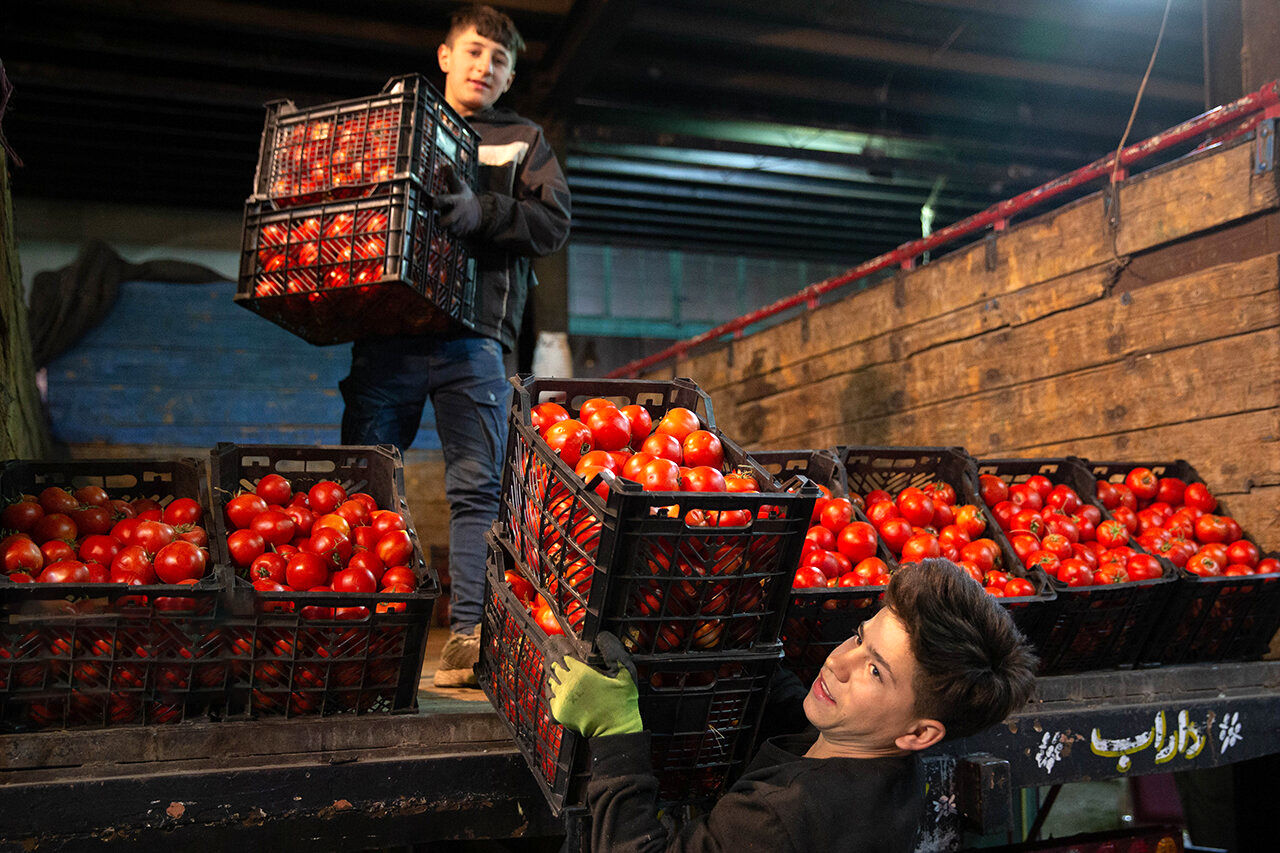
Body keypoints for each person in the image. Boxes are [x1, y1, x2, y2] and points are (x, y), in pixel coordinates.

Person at [339, 4, 571, 688]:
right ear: (444, 56)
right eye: (473, 52)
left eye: (499, 61)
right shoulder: (402, 125)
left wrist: (486, 211)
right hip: (388, 333)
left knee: (478, 488)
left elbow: (554, 221)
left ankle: (467, 634)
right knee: (365, 479)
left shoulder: (522, 140)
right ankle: (359, 623)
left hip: (475, 339)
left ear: (508, 77)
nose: (484, 67)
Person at [547, 558, 1039, 852]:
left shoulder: (781, 818)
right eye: (857, 637)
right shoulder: (883, 766)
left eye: (874, 671)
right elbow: (790, 706)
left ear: (919, 734)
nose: (838, 662)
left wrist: (616, 736)